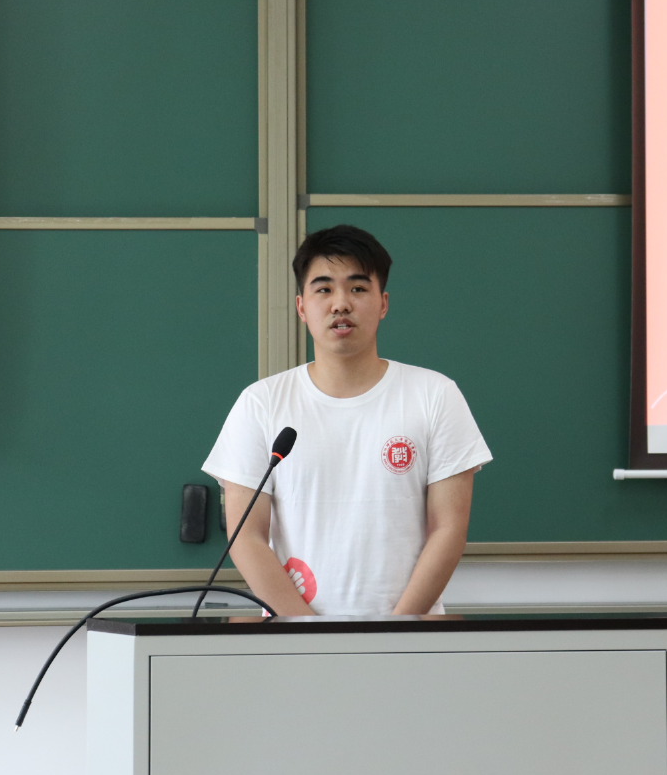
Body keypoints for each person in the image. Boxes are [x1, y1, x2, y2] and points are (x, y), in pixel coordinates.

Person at [201, 225, 492, 616]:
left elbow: (448, 528)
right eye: (323, 289)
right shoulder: (261, 403)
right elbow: (247, 536)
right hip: (294, 638)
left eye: (357, 288)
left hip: (408, 635)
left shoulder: (434, 395)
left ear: (383, 303)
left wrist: (395, 631)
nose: (340, 304)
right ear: (301, 307)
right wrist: (308, 633)